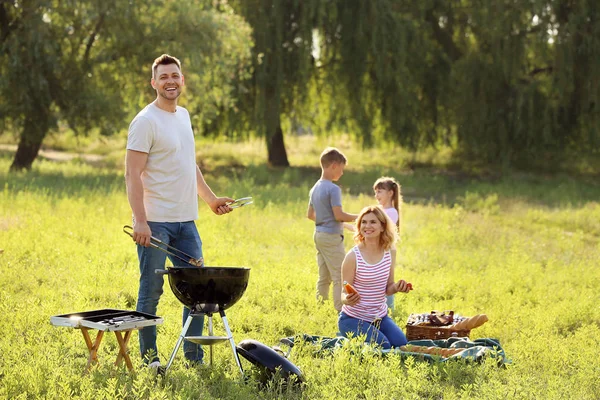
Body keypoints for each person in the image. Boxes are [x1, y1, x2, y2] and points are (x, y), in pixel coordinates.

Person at [125, 54, 233, 368]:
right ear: (154, 83)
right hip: (155, 222)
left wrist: (210, 199)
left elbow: (189, 164)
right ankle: (150, 360)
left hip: (187, 222)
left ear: (182, 80)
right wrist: (140, 220)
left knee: (199, 288)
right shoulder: (145, 121)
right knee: (151, 290)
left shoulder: (183, 115)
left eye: (175, 76)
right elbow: (132, 174)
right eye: (164, 77)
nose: (170, 81)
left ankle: (193, 356)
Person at [338, 205, 411, 349]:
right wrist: (348, 299)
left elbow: (388, 288)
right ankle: (347, 340)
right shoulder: (352, 257)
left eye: (373, 222)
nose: (367, 226)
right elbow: (343, 294)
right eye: (363, 222)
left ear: (383, 227)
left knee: (402, 345)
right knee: (384, 347)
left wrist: (397, 287)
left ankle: (365, 338)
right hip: (352, 319)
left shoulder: (390, 251)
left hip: (380, 318)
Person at [307, 147, 357, 312]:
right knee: (340, 275)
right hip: (331, 237)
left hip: (318, 234)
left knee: (324, 276)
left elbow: (310, 215)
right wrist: (361, 217)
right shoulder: (333, 189)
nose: (342, 173)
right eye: (342, 169)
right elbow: (339, 215)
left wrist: (325, 220)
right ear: (334, 165)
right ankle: (340, 311)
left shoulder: (314, 188)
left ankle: (320, 307)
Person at [373, 176, 402, 311]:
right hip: (379, 249)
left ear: (390, 193)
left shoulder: (391, 212)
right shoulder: (379, 210)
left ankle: (389, 308)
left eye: (380, 191)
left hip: (387, 249)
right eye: (376, 192)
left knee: (386, 278)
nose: (376, 195)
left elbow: (377, 229)